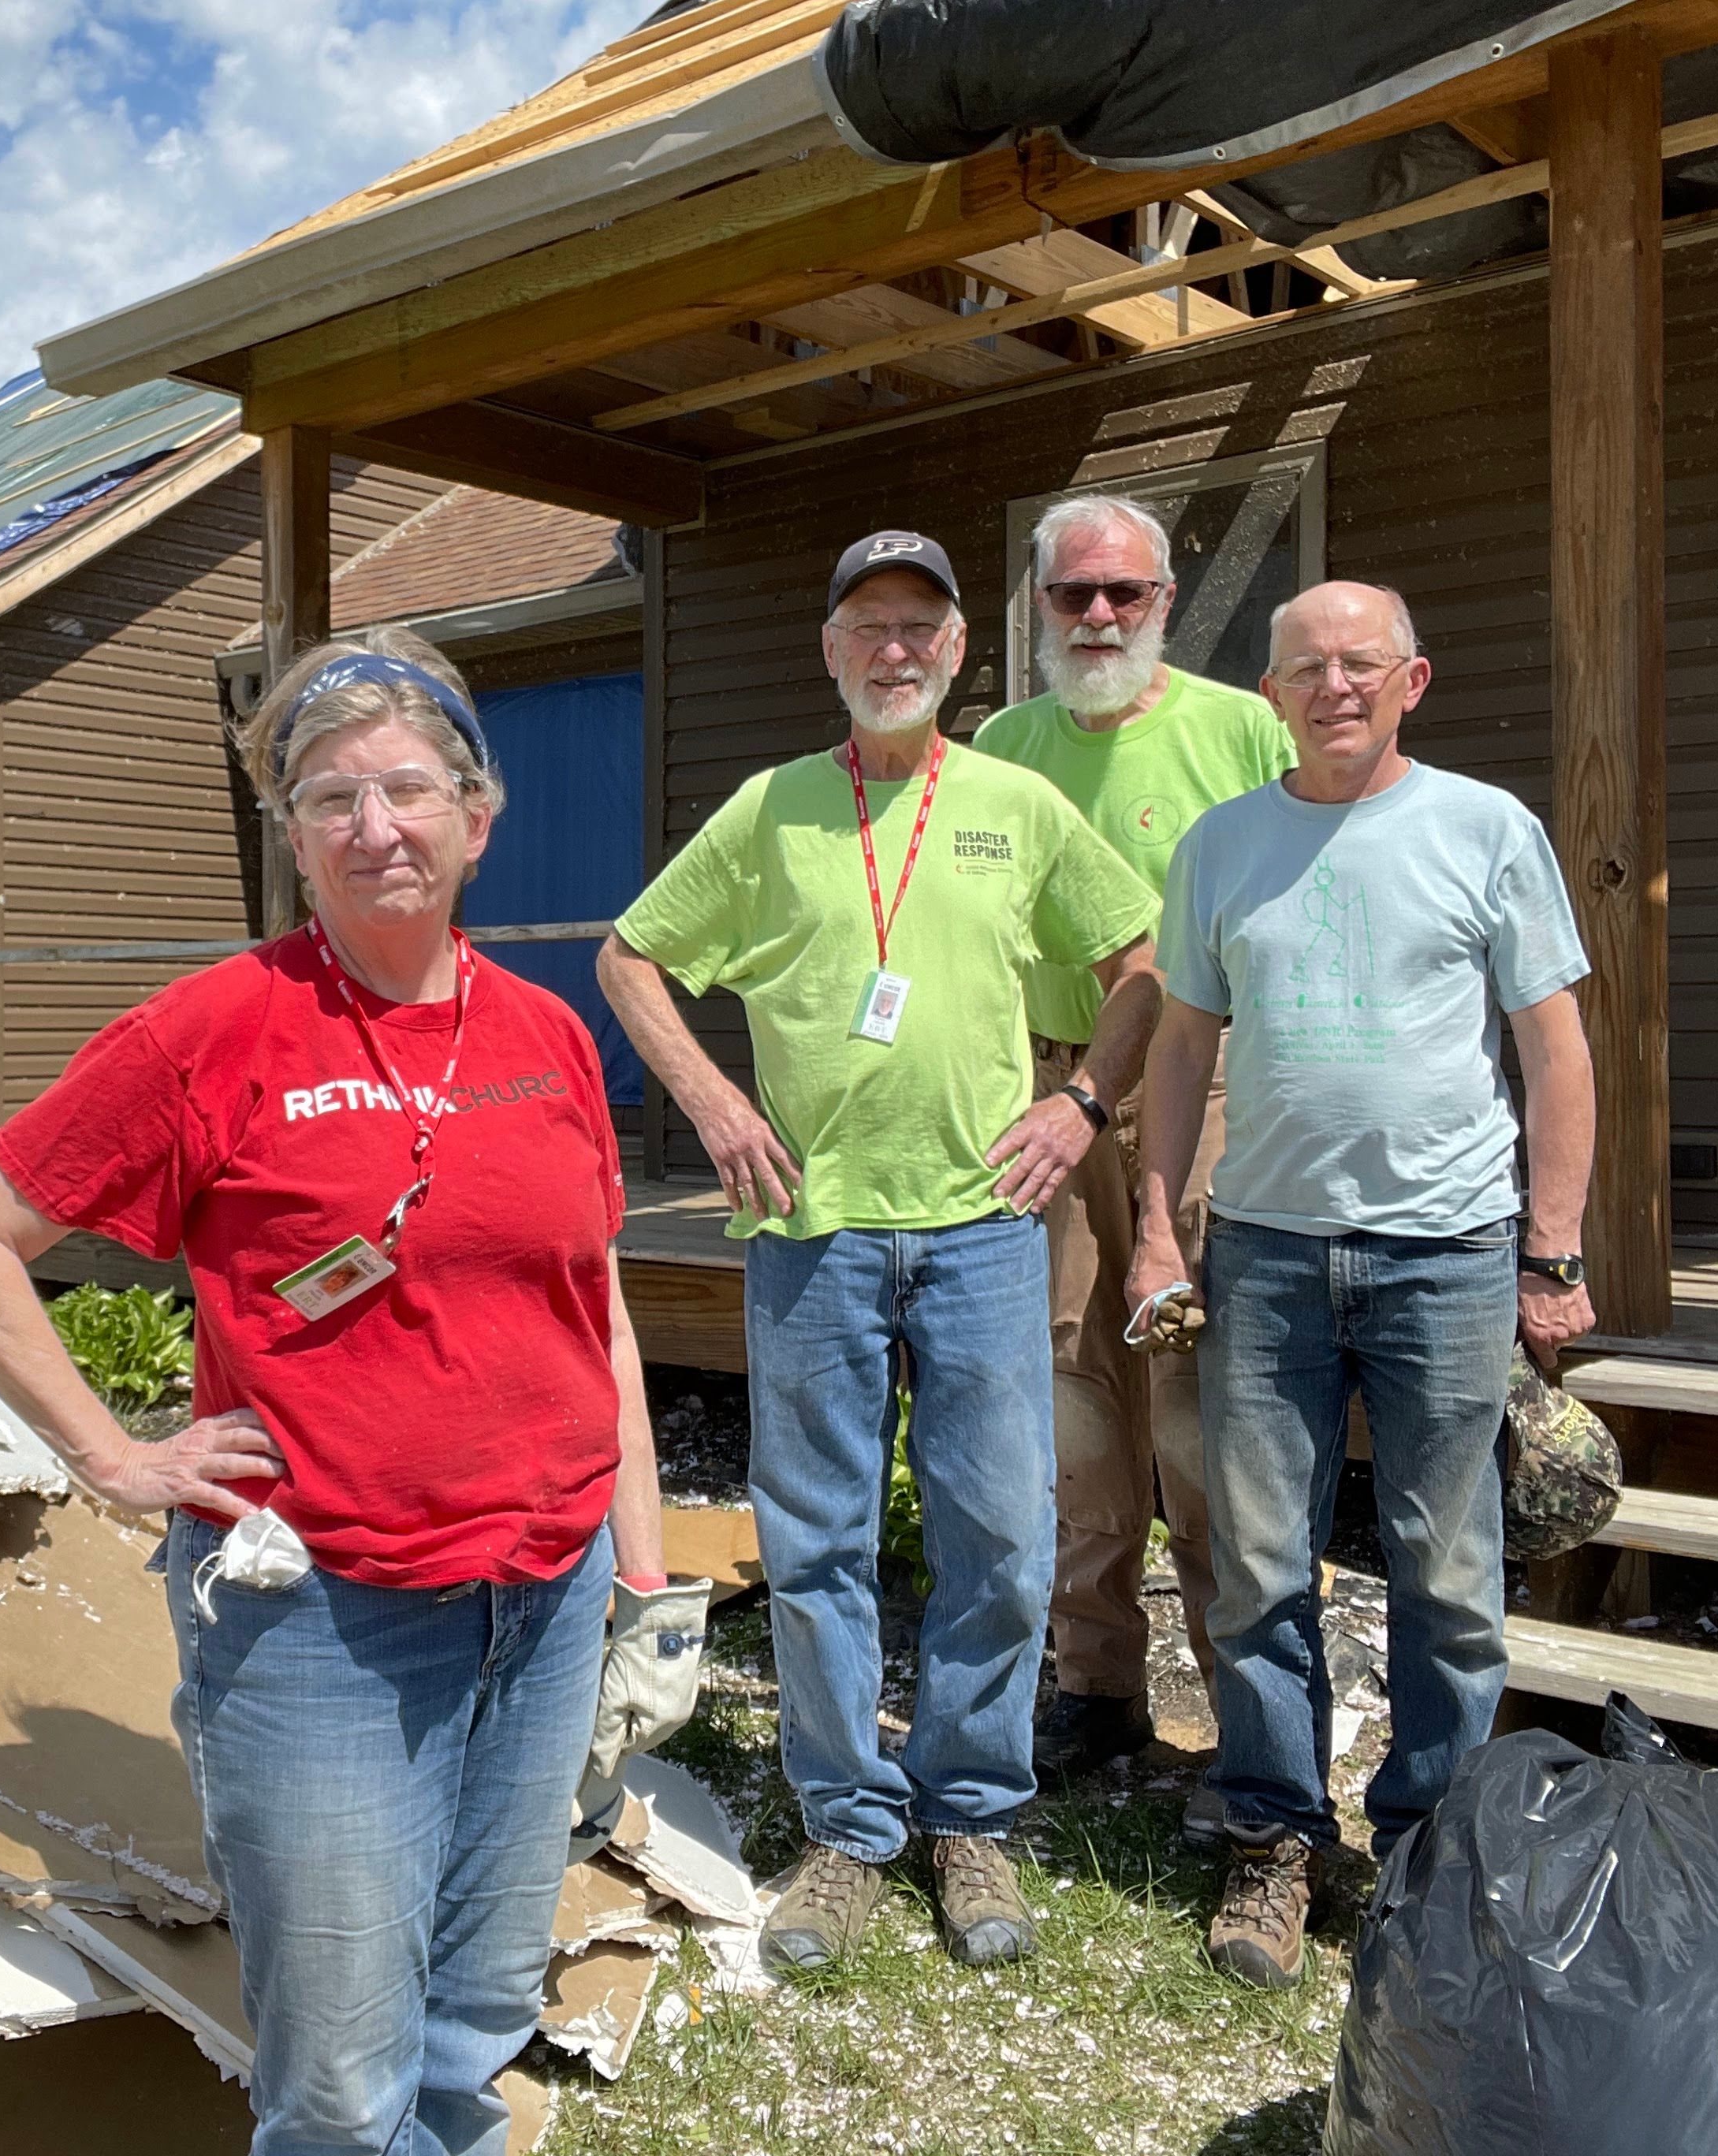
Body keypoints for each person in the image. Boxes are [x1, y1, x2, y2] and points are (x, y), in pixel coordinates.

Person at [0, 625, 695, 2156]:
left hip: (543, 1597)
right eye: (331, 798)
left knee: (472, 2019)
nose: (376, 827)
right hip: (325, 1613)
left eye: (408, 788)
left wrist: (644, 1574)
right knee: (336, 2081)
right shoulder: (216, 1030)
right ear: (294, 839)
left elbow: (593, 1306)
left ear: (481, 811)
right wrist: (109, 1458)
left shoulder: (549, 1037)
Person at [598, 530, 1162, 1975]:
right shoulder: (774, 809)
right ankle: (850, 1826)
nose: (896, 650)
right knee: (819, 1544)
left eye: (923, 625)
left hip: (981, 1228)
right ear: (832, 653)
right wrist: (716, 1102)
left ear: (964, 651)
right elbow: (630, 957)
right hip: (813, 1231)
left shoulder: (1018, 805)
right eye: (869, 629)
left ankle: (969, 1812)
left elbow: (1143, 963)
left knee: (999, 1538)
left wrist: (1082, 1102)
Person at [1124, 579, 1597, 1989]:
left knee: (1448, 1570)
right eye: (1304, 667)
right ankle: (1276, 1839)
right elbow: (1182, 1052)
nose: (1333, 685)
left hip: (1447, 1252)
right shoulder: (1223, 847)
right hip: (1264, 1252)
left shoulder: (1485, 830)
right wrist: (1161, 1226)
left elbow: (1555, 1051)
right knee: (1259, 1567)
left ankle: (1428, 1844)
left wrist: (1552, 1251)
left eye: (1361, 663)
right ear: (1268, 693)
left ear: (1414, 679)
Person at [971, 494, 1291, 1800]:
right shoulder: (1002, 740)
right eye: (1072, 596)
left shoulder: (1240, 727)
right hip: (1046, 1098)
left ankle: (1247, 1718)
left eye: (1126, 595)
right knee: (1075, 1400)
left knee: (1201, 1397)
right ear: (1035, 604)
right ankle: (1098, 1688)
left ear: (1167, 598)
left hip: (1200, 1091)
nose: (1098, 617)